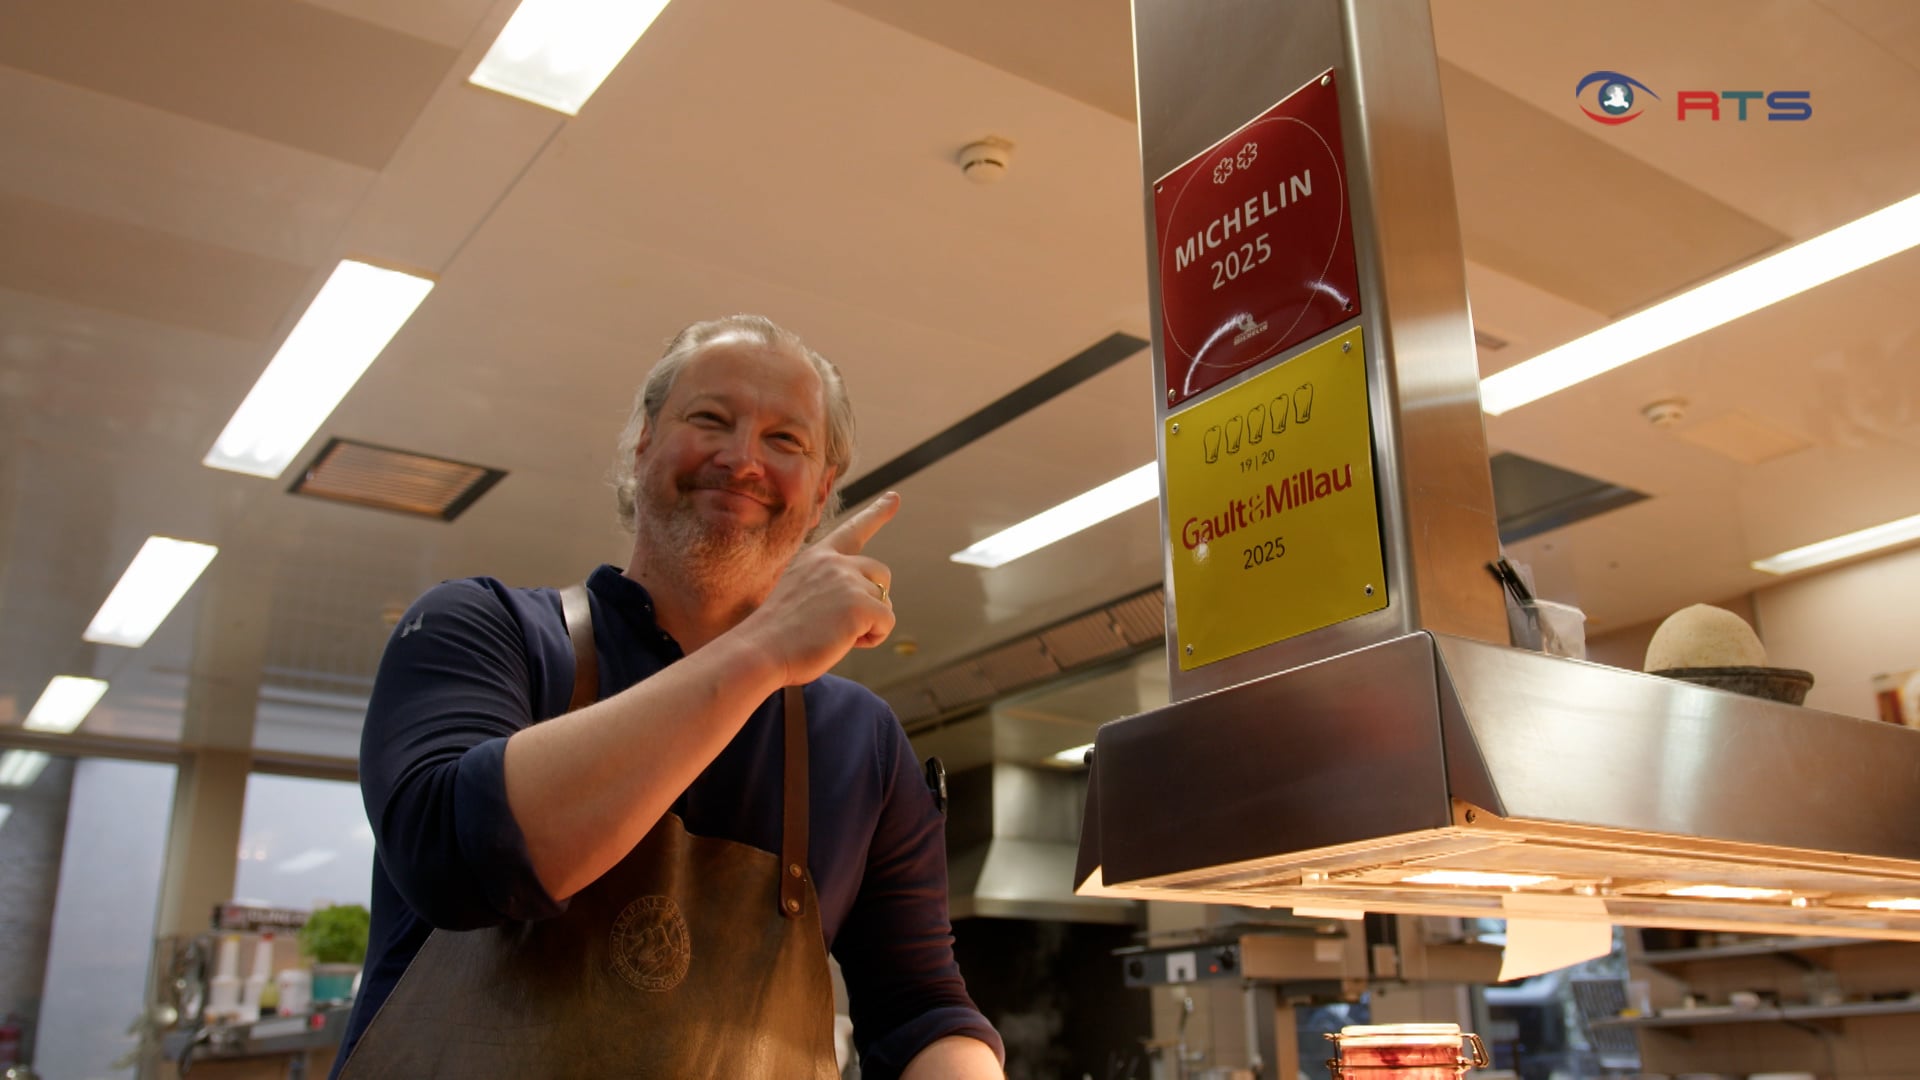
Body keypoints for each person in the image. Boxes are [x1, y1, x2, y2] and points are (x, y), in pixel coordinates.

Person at [335, 315, 1005, 1078]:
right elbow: (456, 861)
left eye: (785, 440)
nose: (742, 459)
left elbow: (919, 1010)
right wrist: (765, 647)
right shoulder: (483, 631)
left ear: (821, 494)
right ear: (644, 443)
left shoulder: (861, 741)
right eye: (710, 419)